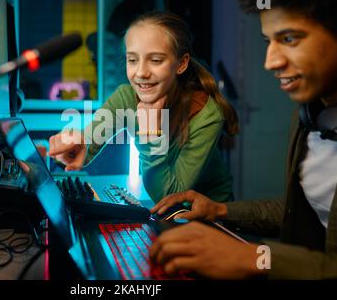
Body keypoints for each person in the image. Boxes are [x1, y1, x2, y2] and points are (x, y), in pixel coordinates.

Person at [149, 0, 337, 279]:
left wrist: (255, 257)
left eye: (289, 39)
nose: (271, 62)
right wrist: (219, 211)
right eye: (268, 42)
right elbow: (299, 211)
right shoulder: (309, 116)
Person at [46, 12, 239, 203]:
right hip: (169, 214)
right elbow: (88, 140)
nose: (141, 72)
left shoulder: (207, 114)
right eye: (132, 60)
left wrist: (150, 136)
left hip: (212, 216)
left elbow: (171, 196)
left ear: (181, 64)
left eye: (155, 60)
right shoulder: (126, 97)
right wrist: (75, 146)